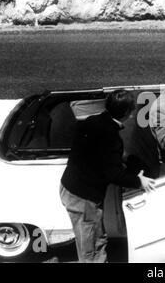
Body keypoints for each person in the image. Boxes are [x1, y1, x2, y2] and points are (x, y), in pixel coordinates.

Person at [60, 89, 155, 263]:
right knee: (94, 247)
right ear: (127, 112)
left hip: (70, 188)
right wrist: (139, 180)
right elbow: (113, 174)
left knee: (87, 241)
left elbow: (100, 156)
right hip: (84, 200)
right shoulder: (111, 138)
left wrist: (120, 159)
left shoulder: (92, 121)